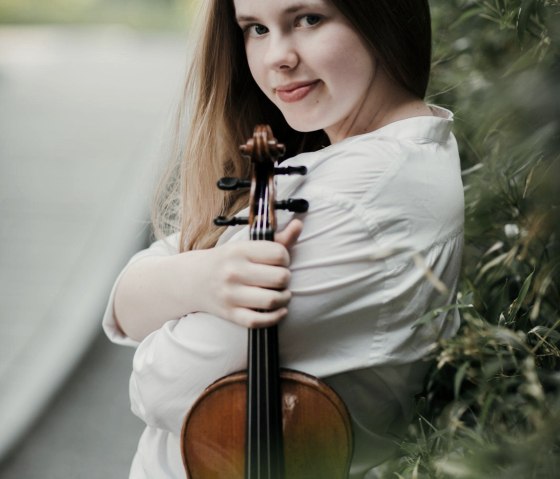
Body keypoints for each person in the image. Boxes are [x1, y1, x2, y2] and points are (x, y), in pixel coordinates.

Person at [102, 0, 464, 477]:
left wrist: (167, 289)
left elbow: (160, 387)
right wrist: (200, 279)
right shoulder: (339, 161)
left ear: (381, 14)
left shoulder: (354, 195)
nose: (277, 57)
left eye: (308, 19)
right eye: (254, 28)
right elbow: (126, 304)